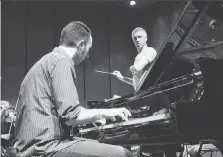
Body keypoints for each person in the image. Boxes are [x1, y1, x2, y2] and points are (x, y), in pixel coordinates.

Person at [14, 21, 133, 157]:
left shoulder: (47, 61)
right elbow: (71, 116)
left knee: (99, 143)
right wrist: (107, 112)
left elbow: (61, 112)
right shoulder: (61, 61)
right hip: (45, 148)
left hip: (33, 146)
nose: (87, 55)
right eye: (88, 49)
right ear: (81, 45)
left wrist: (91, 116)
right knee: (123, 153)